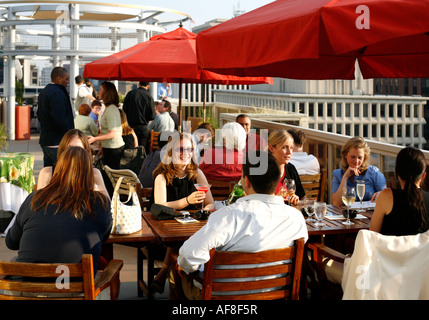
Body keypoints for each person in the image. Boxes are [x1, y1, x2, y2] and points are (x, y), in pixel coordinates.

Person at [174, 151, 309, 300]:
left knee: (176, 270)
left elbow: (188, 256)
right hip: (275, 293)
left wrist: (186, 267)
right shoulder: (295, 218)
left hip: (222, 296)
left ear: (246, 181)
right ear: (278, 181)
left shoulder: (228, 216)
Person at [6, 147, 112, 272]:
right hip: (75, 286)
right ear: (89, 173)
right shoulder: (99, 202)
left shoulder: (34, 199)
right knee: (108, 267)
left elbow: (11, 242)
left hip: (28, 285)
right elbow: (105, 235)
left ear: (58, 169)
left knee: (14, 261)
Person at [149, 132, 215, 294]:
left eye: (189, 149)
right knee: (180, 244)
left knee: (187, 242)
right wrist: (187, 201)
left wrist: (203, 212)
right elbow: (160, 206)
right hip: (162, 236)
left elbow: (211, 203)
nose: (185, 154)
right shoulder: (162, 176)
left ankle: (165, 277)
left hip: (190, 229)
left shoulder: (197, 173)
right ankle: (174, 282)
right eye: (180, 149)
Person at [370, 146, 429, 236]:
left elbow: (372, 235)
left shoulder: (387, 196)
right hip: (422, 250)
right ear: (423, 175)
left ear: (396, 171)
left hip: (389, 250)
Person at [37, 129, 109, 199]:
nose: (74, 153)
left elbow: (107, 203)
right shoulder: (47, 173)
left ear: (86, 152)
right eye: (70, 148)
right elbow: (38, 203)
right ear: (63, 150)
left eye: (79, 149)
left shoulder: (94, 173)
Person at [331, 136, 386, 207]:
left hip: (368, 215)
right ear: (345, 155)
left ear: (364, 158)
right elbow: (336, 203)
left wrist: (380, 194)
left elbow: (386, 197)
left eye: (360, 158)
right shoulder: (337, 174)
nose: (356, 161)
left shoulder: (374, 173)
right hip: (347, 215)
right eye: (353, 157)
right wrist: (345, 177)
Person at [37, 66, 74, 167]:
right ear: (59, 79)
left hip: (46, 140)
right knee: (61, 173)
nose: (68, 82)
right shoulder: (57, 93)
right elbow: (60, 118)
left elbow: (39, 115)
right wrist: (69, 134)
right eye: (66, 79)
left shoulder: (44, 92)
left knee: (48, 172)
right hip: (57, 141)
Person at [87, 81, 125, 171]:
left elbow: (112, 133)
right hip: (109, 148)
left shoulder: (111, 109)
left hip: (114, 149)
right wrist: (103, 148)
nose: (98, 91)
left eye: (101, 90)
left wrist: (95, 139)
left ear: (107, 93)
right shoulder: (109, 108)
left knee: (111, 177)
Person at [268, 129, 305, 205]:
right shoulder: (263, 171)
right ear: (271, 148)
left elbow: (303, 198)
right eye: (284, 147)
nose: (289, 152)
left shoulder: (291, 169)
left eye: (291, 148)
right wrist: (276, 198)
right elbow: (256, 202)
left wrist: (297, 201)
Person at [122, 81, 156, 150]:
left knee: (130, 151)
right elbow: (152, 116)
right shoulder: (149, 96)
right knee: (141, 151)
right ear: (148, 86)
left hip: (129, 128)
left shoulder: (130, 93)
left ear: (139, 84)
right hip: (142, 128)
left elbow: (124, 109)